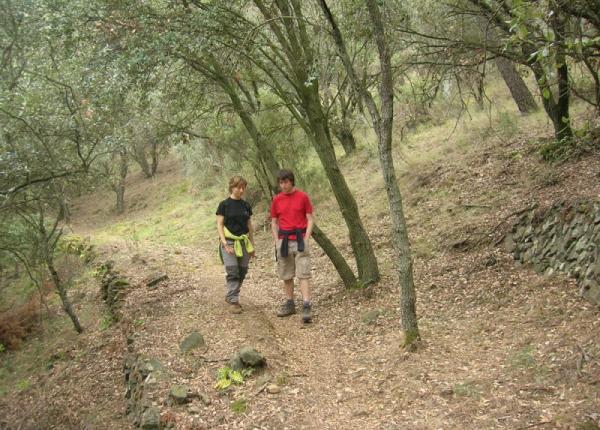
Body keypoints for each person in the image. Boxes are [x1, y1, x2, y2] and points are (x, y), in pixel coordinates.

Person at [270, 169, 314, 323]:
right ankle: (290, 303)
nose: (283, 185)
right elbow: (274, 222)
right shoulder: (277, 200)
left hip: (300, 240)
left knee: (303, 273)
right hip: (284, 241)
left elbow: (310, 219)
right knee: (286, 273)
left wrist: (306, 238)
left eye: (286, 182)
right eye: (281, 182)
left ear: (292, 181)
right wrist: (277, 241)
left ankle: (307, 305)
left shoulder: (303, 197)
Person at [216, 176, 255, 314]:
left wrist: (252, 244)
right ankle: (233, 301)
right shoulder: (224, 205)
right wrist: (224, 243)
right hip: (229, 242)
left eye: (243, 187)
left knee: (242, 272)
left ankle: (231, 295)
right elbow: (219, 224)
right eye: (239, 187)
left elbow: (249, 225)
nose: (241, 190)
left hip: (244, 242)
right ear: (232, 187)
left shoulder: (246, 205)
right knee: (233, 271)